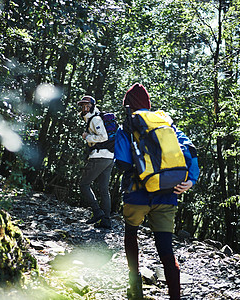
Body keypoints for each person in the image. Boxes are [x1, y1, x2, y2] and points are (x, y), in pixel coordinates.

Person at [114, 83, 199, 300]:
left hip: (137, 194)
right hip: (168, 194)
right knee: (165, 248)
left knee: (131, 233)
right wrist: (191, 180)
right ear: (148, 104)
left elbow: (123, 162)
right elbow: (190, 150)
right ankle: (174, 296)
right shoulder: (166, 123)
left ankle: (135, 285)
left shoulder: (127, 126)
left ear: (128, 105)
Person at [77, 95, 114, 229]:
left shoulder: (96, 119)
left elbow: (103, 137)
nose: (84, 108)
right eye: (83, 106)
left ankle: (97, 211)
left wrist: (88, 137)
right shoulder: (93, 118)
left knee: (84, 184)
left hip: (100, 157)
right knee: (104, 189)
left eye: (87, 105)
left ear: (92, 105)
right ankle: (106, 221)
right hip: (109, 158)